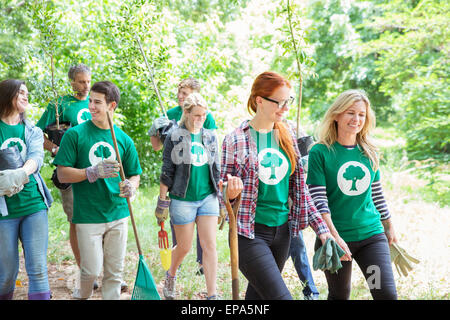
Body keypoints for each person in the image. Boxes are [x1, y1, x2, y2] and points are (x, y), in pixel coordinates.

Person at [220, 71, 333, 300]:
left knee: (259, 298)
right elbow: (220, 192)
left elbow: (301, 192)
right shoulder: (235, 139)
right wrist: (229, 193)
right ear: (259, 100)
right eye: (279, 102)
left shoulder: (287, 134)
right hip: (249, 234)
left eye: (288, 102)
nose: (285, 108)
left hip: (283, 233)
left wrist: (323, 231)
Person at [54, 81, 142, 300]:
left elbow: (135, 174)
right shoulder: (75, 135)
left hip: (118, 213)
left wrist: (131, 185)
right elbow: (62, 174)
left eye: (97, 102)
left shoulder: (123, 139)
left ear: (111, 106)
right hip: (88, 215)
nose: (91, 106)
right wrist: (90, 172)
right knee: (90, 270)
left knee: (114, 273)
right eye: (90, 101)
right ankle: (81, 296)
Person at [306, 89, 398, 300]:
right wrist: (335, 237)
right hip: (334, 238)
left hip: (370, 238)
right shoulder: (320, 152)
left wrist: (389, 224)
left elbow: (376, 193)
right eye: (350, 112)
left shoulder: (369, 151)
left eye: (361, 114)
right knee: (340, 295)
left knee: (383, 292)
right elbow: (319, 200)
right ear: (337, 115)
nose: (356, 119)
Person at [149, 78, 218, 275]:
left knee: (206, 236)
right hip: (178, 179)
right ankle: (174, 266)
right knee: (181, 233)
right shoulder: (169, 114)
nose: (180, 96)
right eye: (179, 92)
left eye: (185, 93)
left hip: (201, 182)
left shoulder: (206, 116)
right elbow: (157, 146)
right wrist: (156, 130)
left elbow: (210, 151)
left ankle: (202, 263)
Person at [0, 79, 53, 300]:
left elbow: (36, 158)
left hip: (33, 205)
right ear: (7, 95)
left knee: (38, 269)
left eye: (27, 93)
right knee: (6, 274)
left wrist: (20, 174)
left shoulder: (32, 130)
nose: (25, 96)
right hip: (4, 212)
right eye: (20, 92)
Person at [36, 64, 91, 270]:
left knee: (99, 219)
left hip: (95, 170)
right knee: (76, 220)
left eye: (88, 81)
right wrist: (54, 148)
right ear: (72, 82)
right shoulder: (59, 104)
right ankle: (84, 269)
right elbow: (36, 133)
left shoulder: (95, 102)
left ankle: (102, 268)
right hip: (69, 171)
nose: (86, 86)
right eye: (81, 81)